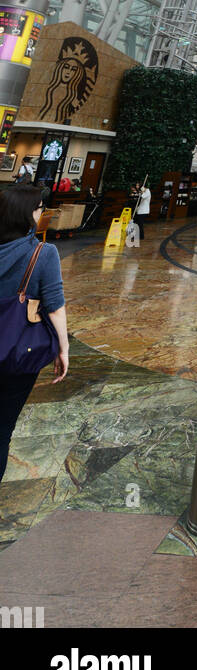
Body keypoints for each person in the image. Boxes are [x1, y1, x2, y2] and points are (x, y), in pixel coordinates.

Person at [0, 185, 69, 482]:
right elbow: (54, 306)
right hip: (15, 354)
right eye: (40, 208)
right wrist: (63, 349)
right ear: (27, 213)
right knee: (1, 429)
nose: (41, 214)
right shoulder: (42, 253)